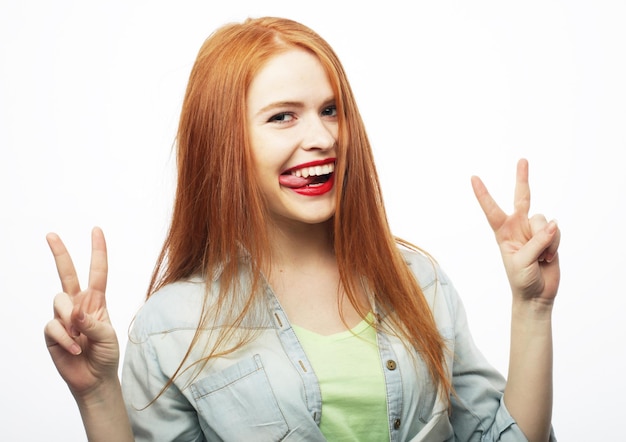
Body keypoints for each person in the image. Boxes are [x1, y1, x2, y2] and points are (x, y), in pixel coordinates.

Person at [44, 16, 560, 442]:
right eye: (283, 117)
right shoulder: (171, 327)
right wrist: (97, 396)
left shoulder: (417, 281)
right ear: (225, 144)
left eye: (330, 110)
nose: (322, 137)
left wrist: (532, 308)